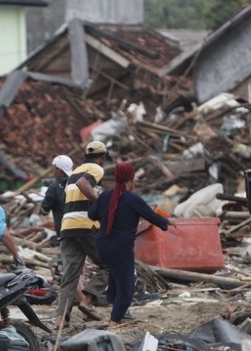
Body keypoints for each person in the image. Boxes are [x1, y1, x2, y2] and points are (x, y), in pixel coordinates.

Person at [88, 162, 175, 329]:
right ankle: (113, 323)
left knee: (115, 277)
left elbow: (92, 214)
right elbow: (151, 215)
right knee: (127, 285)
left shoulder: (105, 195)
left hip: (102, 244)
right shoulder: (132, 199)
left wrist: (106, 210)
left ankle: (117, 313)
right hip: (120, 247)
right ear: (131, 179)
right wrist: (168, 222)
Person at [55, 141, 108, 329]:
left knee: (70, 275)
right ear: (102, 157)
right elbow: (83, 184)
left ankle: (61, 319)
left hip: (67, 227)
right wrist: (100, 204)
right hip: (86, 225)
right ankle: (87, 301)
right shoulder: (96, 169)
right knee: (109, 265)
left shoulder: (74, 173)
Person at [40, 155, 73, 243]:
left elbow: (44, 210)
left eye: (54, 168)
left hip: (64, 232)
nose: (53, 171)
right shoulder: (80, 182)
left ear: (60, 170)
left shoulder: (54, 187)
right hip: (84, 229)